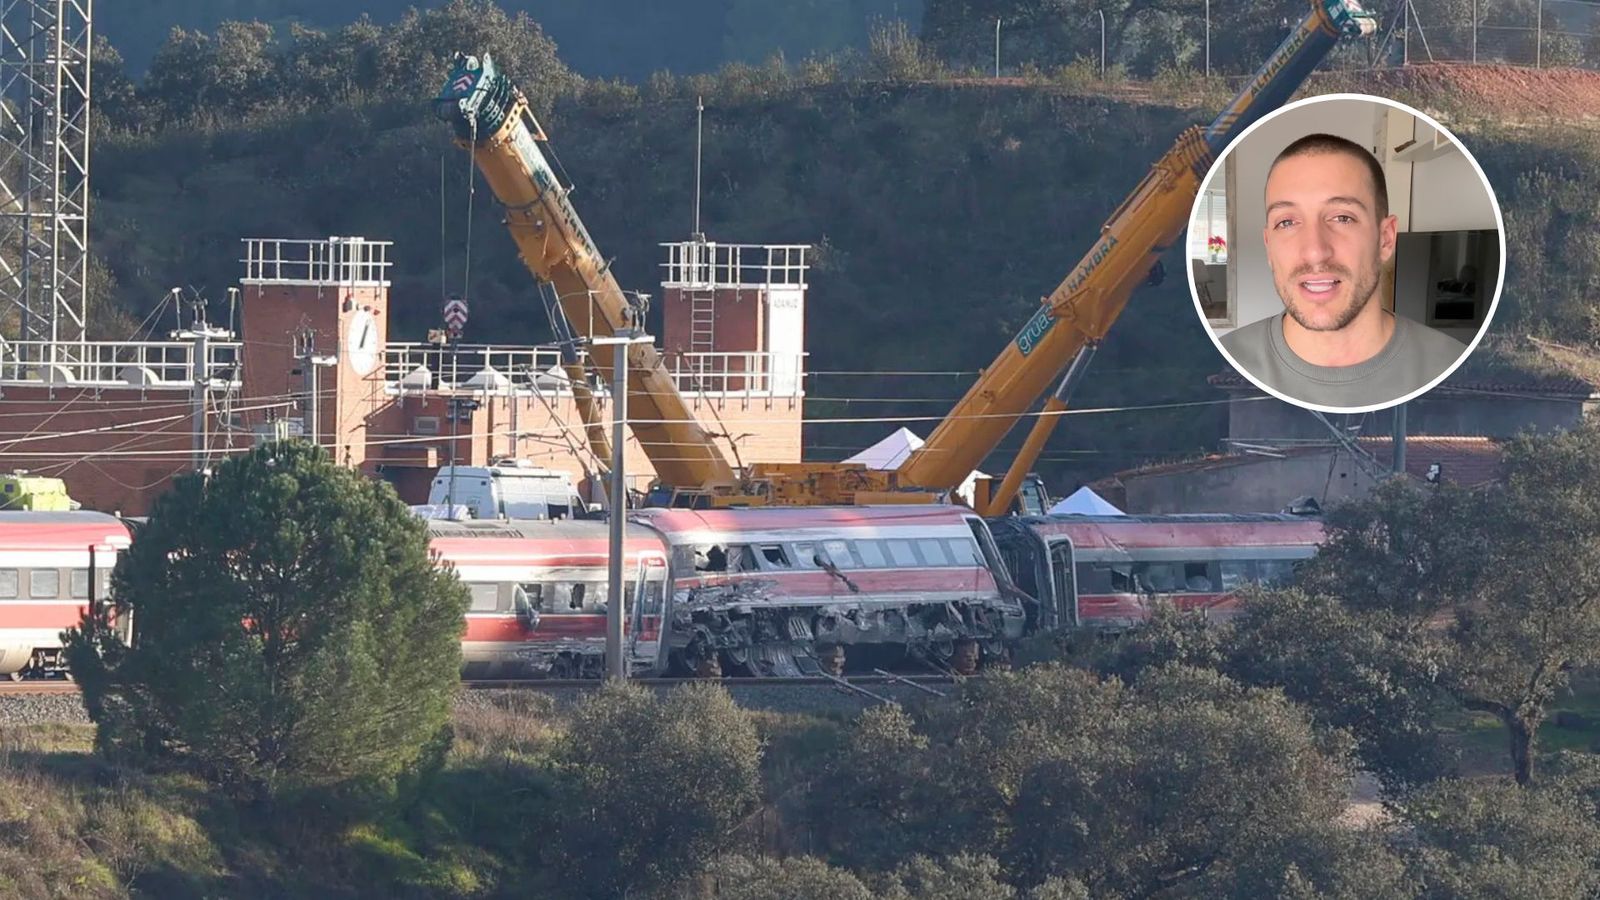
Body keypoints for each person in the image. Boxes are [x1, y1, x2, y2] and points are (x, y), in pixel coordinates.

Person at [1221, 133, 1465, 408]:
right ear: (1269, 246)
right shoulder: (1219, 368)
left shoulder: (1459, 370)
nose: (1314, 251)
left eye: (1342, 218)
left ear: (1385, 239)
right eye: (1287, 222)